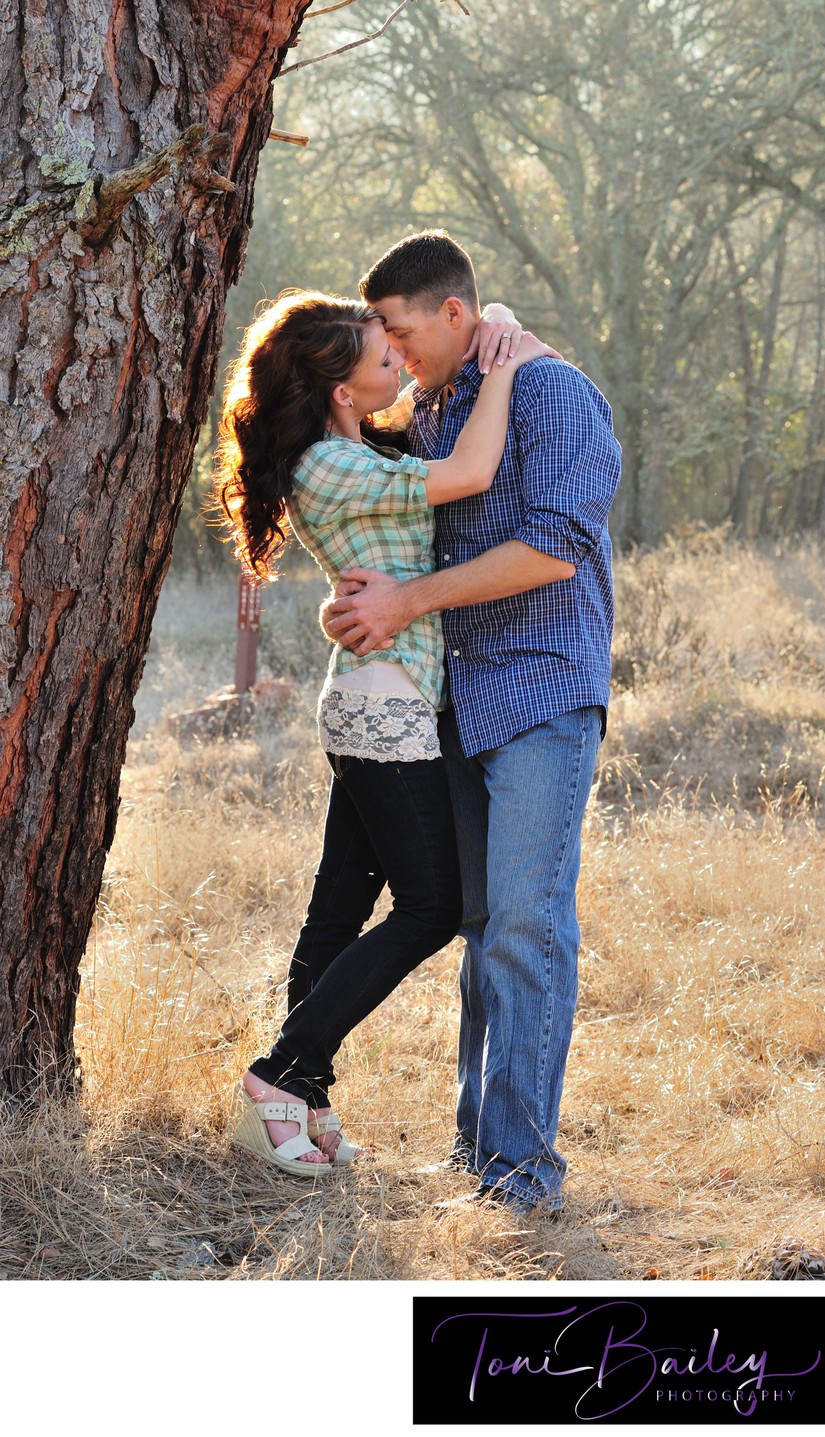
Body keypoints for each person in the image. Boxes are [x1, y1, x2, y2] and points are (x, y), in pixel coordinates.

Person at [214, 288, 556, 1177]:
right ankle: (278, 1074)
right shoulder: (330, 467)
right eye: (382, 357)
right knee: (434, 905)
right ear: (339, 390)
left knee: (338, 909)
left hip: (384, 696)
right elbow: (474, 471)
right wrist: (509, 363)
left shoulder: (357, 445)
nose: (399, 363)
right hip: (387, 705)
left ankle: (304, 1098)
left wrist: (494, 318)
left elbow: (435, 397)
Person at [323, 232, 621, 1214]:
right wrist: (366, 597)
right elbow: (397, 508)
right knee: (483, 925)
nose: (396, 357)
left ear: (456, 314)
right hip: (462, 694)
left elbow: (555, 550)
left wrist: (410, 601)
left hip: (541, 691)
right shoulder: (443, 402)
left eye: (404, 333)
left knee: (527, 927)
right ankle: (476, 1153)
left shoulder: (555, 395)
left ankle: (524, 1173)